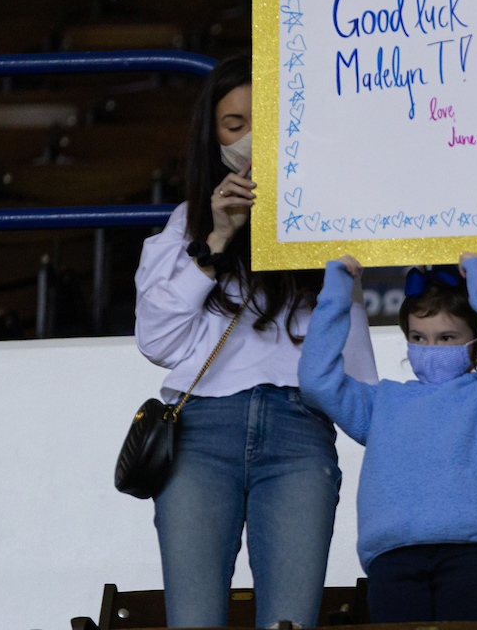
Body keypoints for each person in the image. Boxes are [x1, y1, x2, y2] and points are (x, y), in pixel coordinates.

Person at [133, 54, 379, 629]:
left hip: (299, 434)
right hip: (198, 437)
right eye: (233, 125)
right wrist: (216, 238)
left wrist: (349, 284)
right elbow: (157, 341)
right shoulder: (183, 225)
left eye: (262, 124)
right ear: (211, 137)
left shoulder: (327, 225)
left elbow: (358, 386)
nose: (248, 141)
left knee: (289, 625)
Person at [298, 252, 477, 623]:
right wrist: (337, 290)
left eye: (446, 337)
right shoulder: (380, 401)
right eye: (418, 337)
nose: (430, 349)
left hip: (474, 554)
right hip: (393, 557)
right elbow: (316, 380)